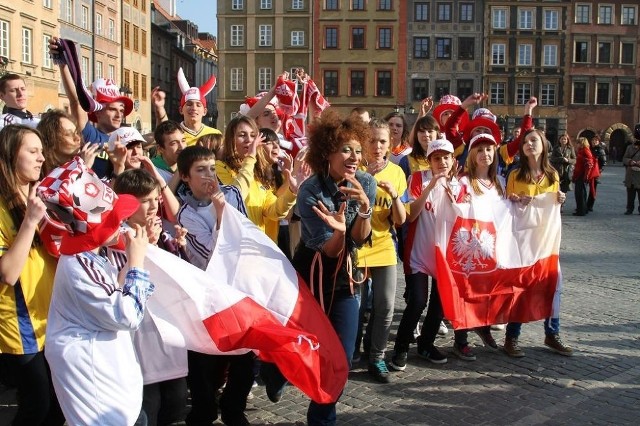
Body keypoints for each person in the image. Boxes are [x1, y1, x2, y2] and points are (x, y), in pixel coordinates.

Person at [38, 157, 154, 425]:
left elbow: (115, 293)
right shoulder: (79, 265)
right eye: (115, 220)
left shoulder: (91, 256)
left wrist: (129, 266)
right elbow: (129, 316)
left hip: (107, 374)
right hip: (95, 383)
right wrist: (136, 264)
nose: (122, 223)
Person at [291, 110, 376, 425]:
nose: (353, 157)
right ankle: (275, 373)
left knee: (341, 358)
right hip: (311, 275)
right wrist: (338, 231)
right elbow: (328, 250)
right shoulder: (310, 190)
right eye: (345, 149)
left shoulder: (366, 181)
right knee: (300, 349)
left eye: (357, 150)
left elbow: (359, 241)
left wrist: (364, 211)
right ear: (327, 152)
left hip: (345, 278)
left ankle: (321, 416)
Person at [175, 145, 252, 426]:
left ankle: (234, 409)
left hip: (237, 289)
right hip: (205, 296)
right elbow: (209, 255)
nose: (209, 175)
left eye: (211, 168)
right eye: (200, 170)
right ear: (185, 177)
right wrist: (221, 215)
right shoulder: (186, 214)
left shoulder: (231, 194)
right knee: (203, 361)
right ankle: (203, 412)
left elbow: (245, 235)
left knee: (245, 358)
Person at [113, 169, 189, 426]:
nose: (153, 205)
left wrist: (174, 248)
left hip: (168, 334)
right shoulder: (114, 238)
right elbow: (118, 286)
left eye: (156, 198)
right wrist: (144, 253)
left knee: (176, 403)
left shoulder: (161, 233)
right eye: (145, 200)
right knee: (149, 406)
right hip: (139, 339)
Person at [0, 125, 65, 426]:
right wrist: (30, 222)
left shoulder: (37, 198)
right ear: (12, 156)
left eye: (41, 151)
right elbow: (8, 273)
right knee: (36, 404)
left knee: (57, 405)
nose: (41, 158)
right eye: (32, 151)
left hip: (49, 317)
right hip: (18, 323)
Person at [390, 139, 461, 371]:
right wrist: (431, 187)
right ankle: (400, 347)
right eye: (437, 158)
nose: (442, 162)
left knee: (439, 305)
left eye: (446, 157)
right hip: (419, 251)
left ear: (453, 160)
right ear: (429, 160)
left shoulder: (459, 183)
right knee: (418, 300)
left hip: (444, 255)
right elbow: (411, 215)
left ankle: (426, 344)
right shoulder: (418, 179)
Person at [504, 129, 571, 358]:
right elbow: (507, 206)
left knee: (554, 284)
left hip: (546, 241)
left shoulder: (552, 175)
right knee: (521, 287)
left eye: (533, 140)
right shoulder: (515, 175)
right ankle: (512, 337)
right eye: (525, 141)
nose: (529, 144)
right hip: (522, 241)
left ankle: (552, 332)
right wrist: (514, 199)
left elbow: (552, 209)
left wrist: (560, 199)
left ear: (543, 145)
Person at [355, 119, 407, 383]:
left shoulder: (397, 172)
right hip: (357, 245)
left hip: (384, 244)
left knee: (385, 305)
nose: (377, 146)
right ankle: (353, 350)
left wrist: (396, 196)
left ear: (391, 144)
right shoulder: (355, 168)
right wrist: (368, 179)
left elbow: (400, 220)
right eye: (372, 140)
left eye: (382, 141)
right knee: (358, 305)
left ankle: (377, 356)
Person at [50, 36, 134, 178]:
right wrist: (63, 63)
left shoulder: (127, 136)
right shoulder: (89, 134)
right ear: (98, 112)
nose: (119, 115)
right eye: (112, 109)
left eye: (121, 110)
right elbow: (75, 101)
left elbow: (159, 138)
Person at [217, 116, 297, 238]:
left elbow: (274, 212)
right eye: (242, 135)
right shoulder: (219, 167)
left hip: (258, 247)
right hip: (233, 244)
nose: (248, 140)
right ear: (231, 139)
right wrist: (250, 157)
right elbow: (236, 195)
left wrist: (292, 191)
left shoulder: (259, 173)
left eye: (253, 135)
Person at [152, 68, 221, 147]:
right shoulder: (174, 134)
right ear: (181, 110)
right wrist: (159, 108)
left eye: (198, 105)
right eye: (189, 104)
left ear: (204, 111)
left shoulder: (215, 134)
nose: (194, 108)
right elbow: (162, 132)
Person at [37, 109, 100, 174]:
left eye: (76, 132)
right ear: (51, 139)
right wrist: (84, 167)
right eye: (68, 134)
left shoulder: (77, 163)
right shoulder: (41, 172)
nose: (78, 138)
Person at [151, 120, 187, 189]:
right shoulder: (152, 172)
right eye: (174, 143)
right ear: (160, 148)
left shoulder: (190, 166)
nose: (182, 147)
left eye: (183, 140)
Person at [571, 137, 594, 217]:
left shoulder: (585, 150)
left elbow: (589, 164)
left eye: (578, 143)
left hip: (581, 175)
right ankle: (581, 209)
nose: (577, 145)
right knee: (580, 193)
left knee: (580, 193)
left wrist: (586, 175)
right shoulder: (582, 151)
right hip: (580, 174)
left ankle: (581, 210)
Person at [587, 135, 606, 212]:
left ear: (598, 142)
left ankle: (590, 205)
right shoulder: (589, 149)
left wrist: (599, 171)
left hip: (594, 172)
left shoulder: (600, 150)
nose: (594, 142)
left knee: (592, 189)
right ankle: (583, 204)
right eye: (593, 140)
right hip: (588, 171)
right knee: (584, 188)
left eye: (596, 141)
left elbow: (603, 162)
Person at [623, 137, 640, 215]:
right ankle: (629, 209)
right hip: (631, 173)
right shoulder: (629, 147)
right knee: (630, 194)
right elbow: (624, 158)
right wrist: (630, 161)